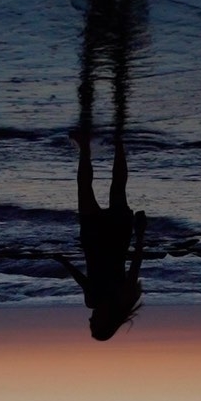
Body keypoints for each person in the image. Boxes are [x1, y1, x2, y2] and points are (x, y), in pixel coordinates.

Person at [56, 132, 145, 340]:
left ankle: (85, 147)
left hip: (93, 239)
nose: (89, 321)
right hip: (116, 238)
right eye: (93, 325)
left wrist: (63, 262)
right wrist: (140, 234)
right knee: (117, 187)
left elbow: (82, 280)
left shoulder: (92, 300)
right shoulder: (122, 300)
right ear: (105, 323)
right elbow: (135, 267)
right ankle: (119, 143)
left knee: (84, 188)